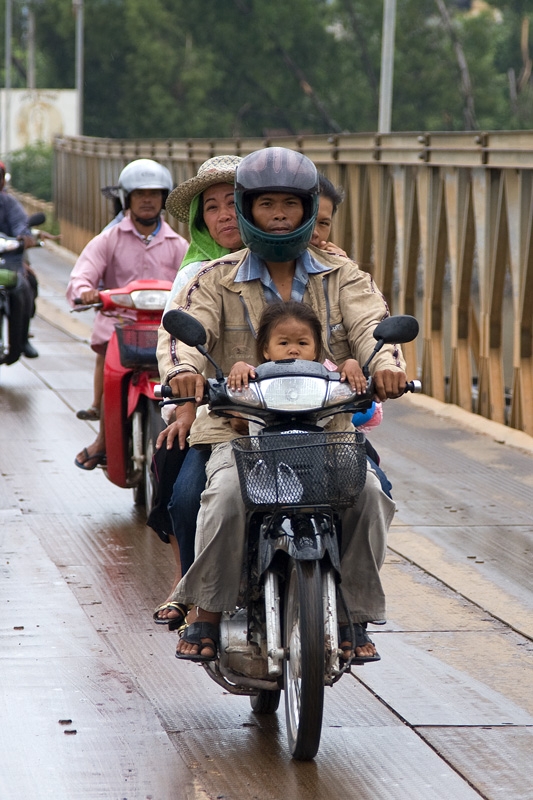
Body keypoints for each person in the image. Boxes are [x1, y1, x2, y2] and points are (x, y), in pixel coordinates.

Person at [156, 146, 407, 664]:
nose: (278, 215)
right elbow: (185, 333)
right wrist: (184, 374)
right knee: (221, 496)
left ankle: (354, 613)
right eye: (266, 204)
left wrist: (385, 365)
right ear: (248, 210)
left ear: (309, 209)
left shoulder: (345, 277)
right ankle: (204, 608)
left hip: (327, 427)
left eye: (289, 205)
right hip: (237, 429)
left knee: (371, 495)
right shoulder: (214, 277)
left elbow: (372, 326)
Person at [150, 155, 243, 626]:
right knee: (187, 496)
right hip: (219, 413)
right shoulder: (196, 278)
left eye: (235, 201)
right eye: (212, 207)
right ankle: (189, 584)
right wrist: (185, 404)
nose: (225, 214)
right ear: (200, 220)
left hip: (295, 412)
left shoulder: (299, 261)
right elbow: (178, 343)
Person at [67, 158, 188, 470]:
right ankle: (103, 438)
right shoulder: (108, 239)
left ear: (164, 198)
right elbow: (82, 275)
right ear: (126, 198)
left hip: (163, 327)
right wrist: (86, 291)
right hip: (118, 324)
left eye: (153, 193)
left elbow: (193, 280)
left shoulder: (178, 245)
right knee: (108, 348)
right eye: (139, 194)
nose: (147, 200)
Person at [0, 161, 39, 360]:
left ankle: (22, 339)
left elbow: (20, 226)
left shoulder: (9, 203)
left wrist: (24, 237)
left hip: (9, 261)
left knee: (27, 284)